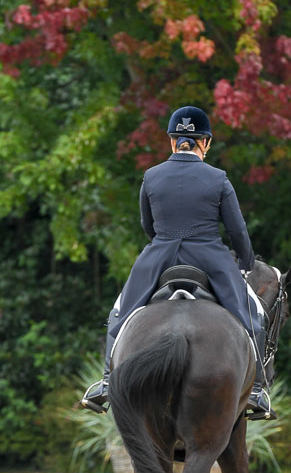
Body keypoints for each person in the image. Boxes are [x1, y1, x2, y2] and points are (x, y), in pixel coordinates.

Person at [81, 105, 275, 419]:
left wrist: (164, 242)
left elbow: (148, 224)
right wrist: (245, 261)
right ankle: (256, 390)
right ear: (206, 143)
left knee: (120, 311)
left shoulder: (151, 176)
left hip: (159, 255)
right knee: (251, 314)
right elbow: (237, 230)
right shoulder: (219, 178)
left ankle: (106, 381)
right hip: (210, 255)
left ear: (173, 141)